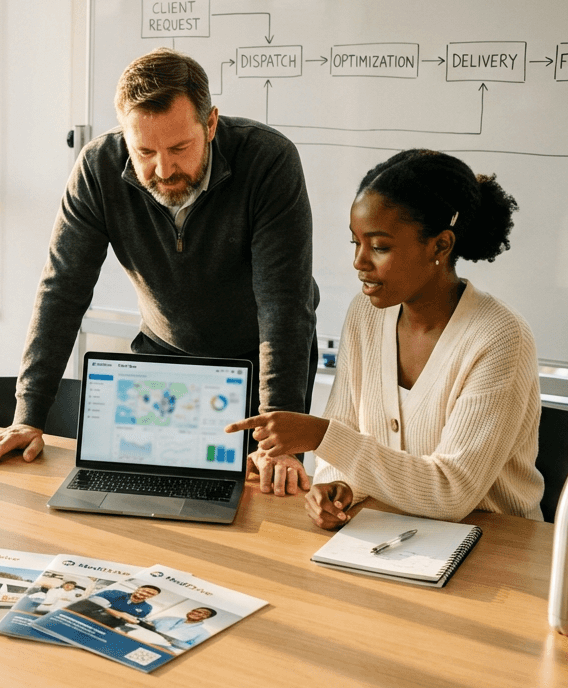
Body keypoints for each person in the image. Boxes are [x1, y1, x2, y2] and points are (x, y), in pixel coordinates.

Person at [0, 47, 320, 495]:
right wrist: (28, 417)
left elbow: (282, 304)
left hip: (260, 359)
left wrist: (278, 440)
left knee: (264, 493)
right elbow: (62, 289)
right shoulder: (98, 167)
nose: (164, 170)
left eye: (180, 148)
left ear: (210, 124)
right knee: (151, 495)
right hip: (163, 351)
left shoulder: (268, 160)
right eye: (145, 152)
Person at [225, 149, 545, 529]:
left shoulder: (500, 337)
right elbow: (344, 433)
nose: (359, 262)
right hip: (393, 534)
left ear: (440, 245)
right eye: (355, 243)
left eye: (379, 247)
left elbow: (451, 492)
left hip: (499, 543)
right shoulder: (366, 314)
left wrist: (320, 435)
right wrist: (337, 486)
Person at [69, 584, 162, 629]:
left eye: (150, 594)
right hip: (86, 619)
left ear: (152, 597)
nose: (145, 594)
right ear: (137, 589)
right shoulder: (113, 593)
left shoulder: (147, 608)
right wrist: (120, 614)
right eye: (144, 591)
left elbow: (137, 620)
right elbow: (91, 603)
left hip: (110, 627)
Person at [150, 607, 217, 649]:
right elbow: (147, 623)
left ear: (206, 617)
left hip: (164, 650)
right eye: (195, 611)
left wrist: (173, 641)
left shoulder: (203, 633)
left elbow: (194, 649)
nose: (195, 613)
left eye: (201, 613)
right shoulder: (167, 618)